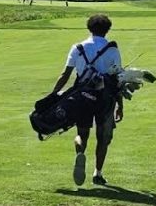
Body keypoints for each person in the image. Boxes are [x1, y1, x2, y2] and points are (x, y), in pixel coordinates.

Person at [49, 14, 124, 186]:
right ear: (108, 30)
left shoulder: (78, 47)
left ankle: (79, 152)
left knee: (81, 134)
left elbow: (65, 75)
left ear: (89, 28)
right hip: (105, 99)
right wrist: (120, 105)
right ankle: (98, 173)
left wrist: (53, 96)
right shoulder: (112, 49)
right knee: (103, 138)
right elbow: (118, 79)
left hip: (82, 98)